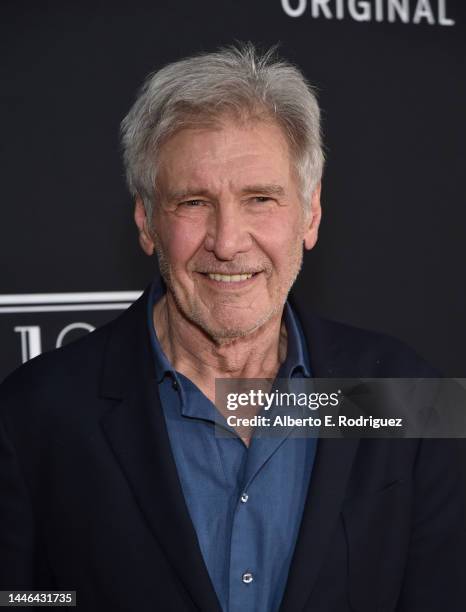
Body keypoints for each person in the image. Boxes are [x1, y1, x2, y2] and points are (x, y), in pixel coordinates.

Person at [0, 43, 464, 612]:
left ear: (311, 214)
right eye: (193, 202)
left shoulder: (404, 394)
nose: (226, 241)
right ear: (146, 221)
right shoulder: (35, 414)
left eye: (260, 199)